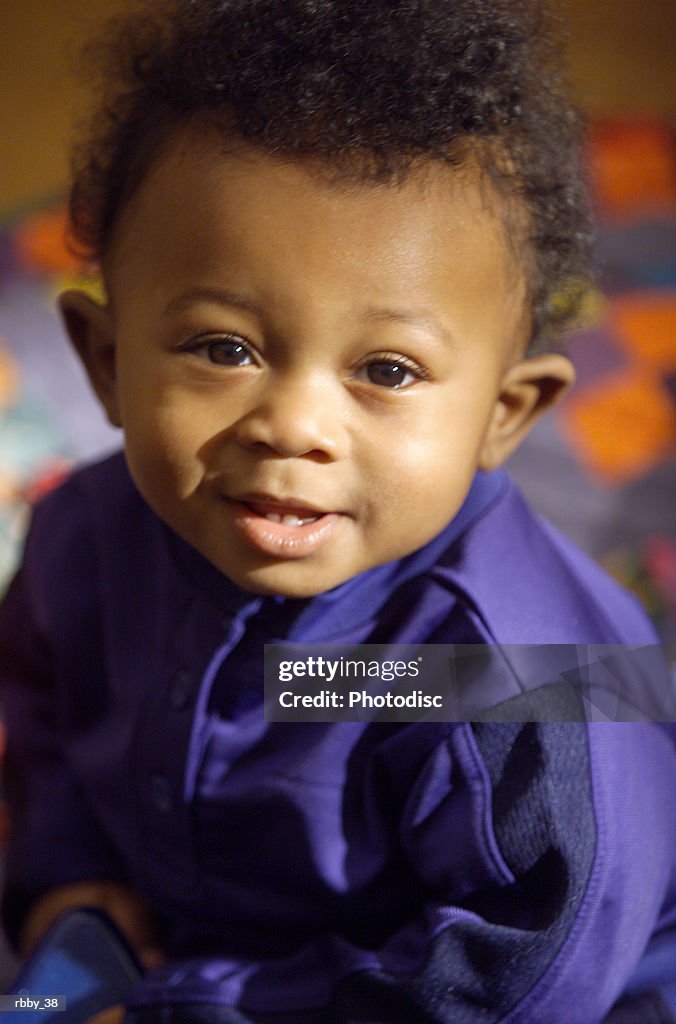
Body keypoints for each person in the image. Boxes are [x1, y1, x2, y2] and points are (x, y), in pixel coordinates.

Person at [0, 1, 674, 1022]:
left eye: (387, 369)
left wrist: (196, 1001)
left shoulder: (500, 669)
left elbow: (522, 976)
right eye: (224, 347)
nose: (293, 425)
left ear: (502, 414)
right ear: (104, 360)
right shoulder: (81, 541)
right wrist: (63, 873)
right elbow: (43, 714)